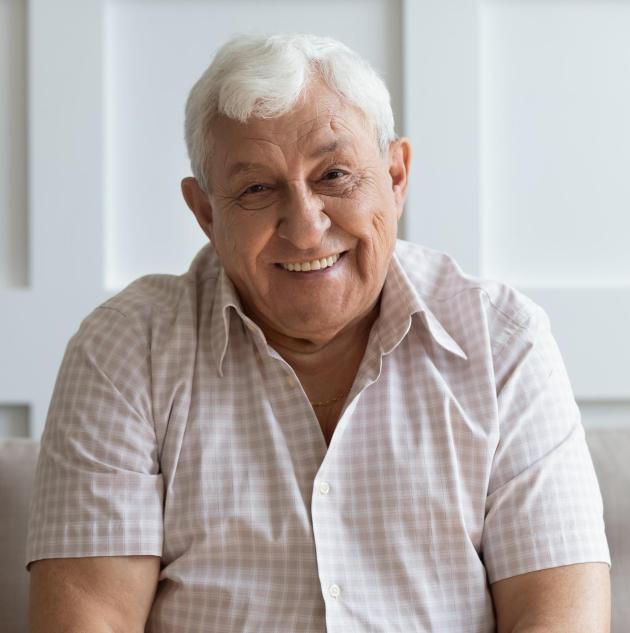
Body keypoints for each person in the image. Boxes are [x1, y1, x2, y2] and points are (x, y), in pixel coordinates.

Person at [26, 33, 610, 632]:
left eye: (334, 175)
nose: (306, 229)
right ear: (205, 212)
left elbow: (558, 617)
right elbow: (89, 619)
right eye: (257, 188)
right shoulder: (126, 349)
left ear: (396, 175)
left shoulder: (504, 343)